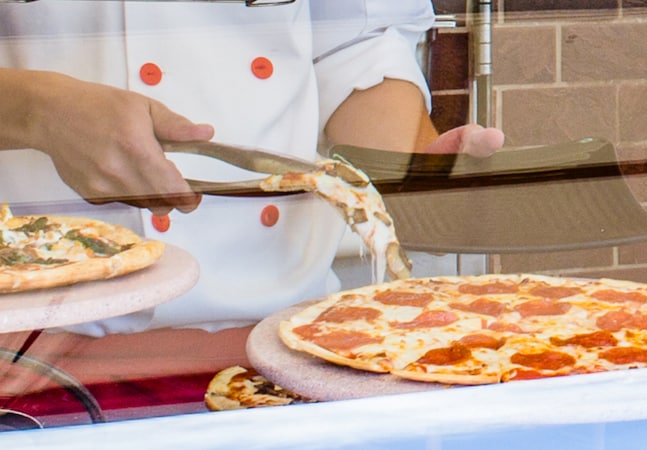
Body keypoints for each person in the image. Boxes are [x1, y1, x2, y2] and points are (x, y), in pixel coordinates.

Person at [0, 0, 504, 410]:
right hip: (37, 340)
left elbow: (355, 37)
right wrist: (37, 110)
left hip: (283, 339)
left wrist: (405, 164)